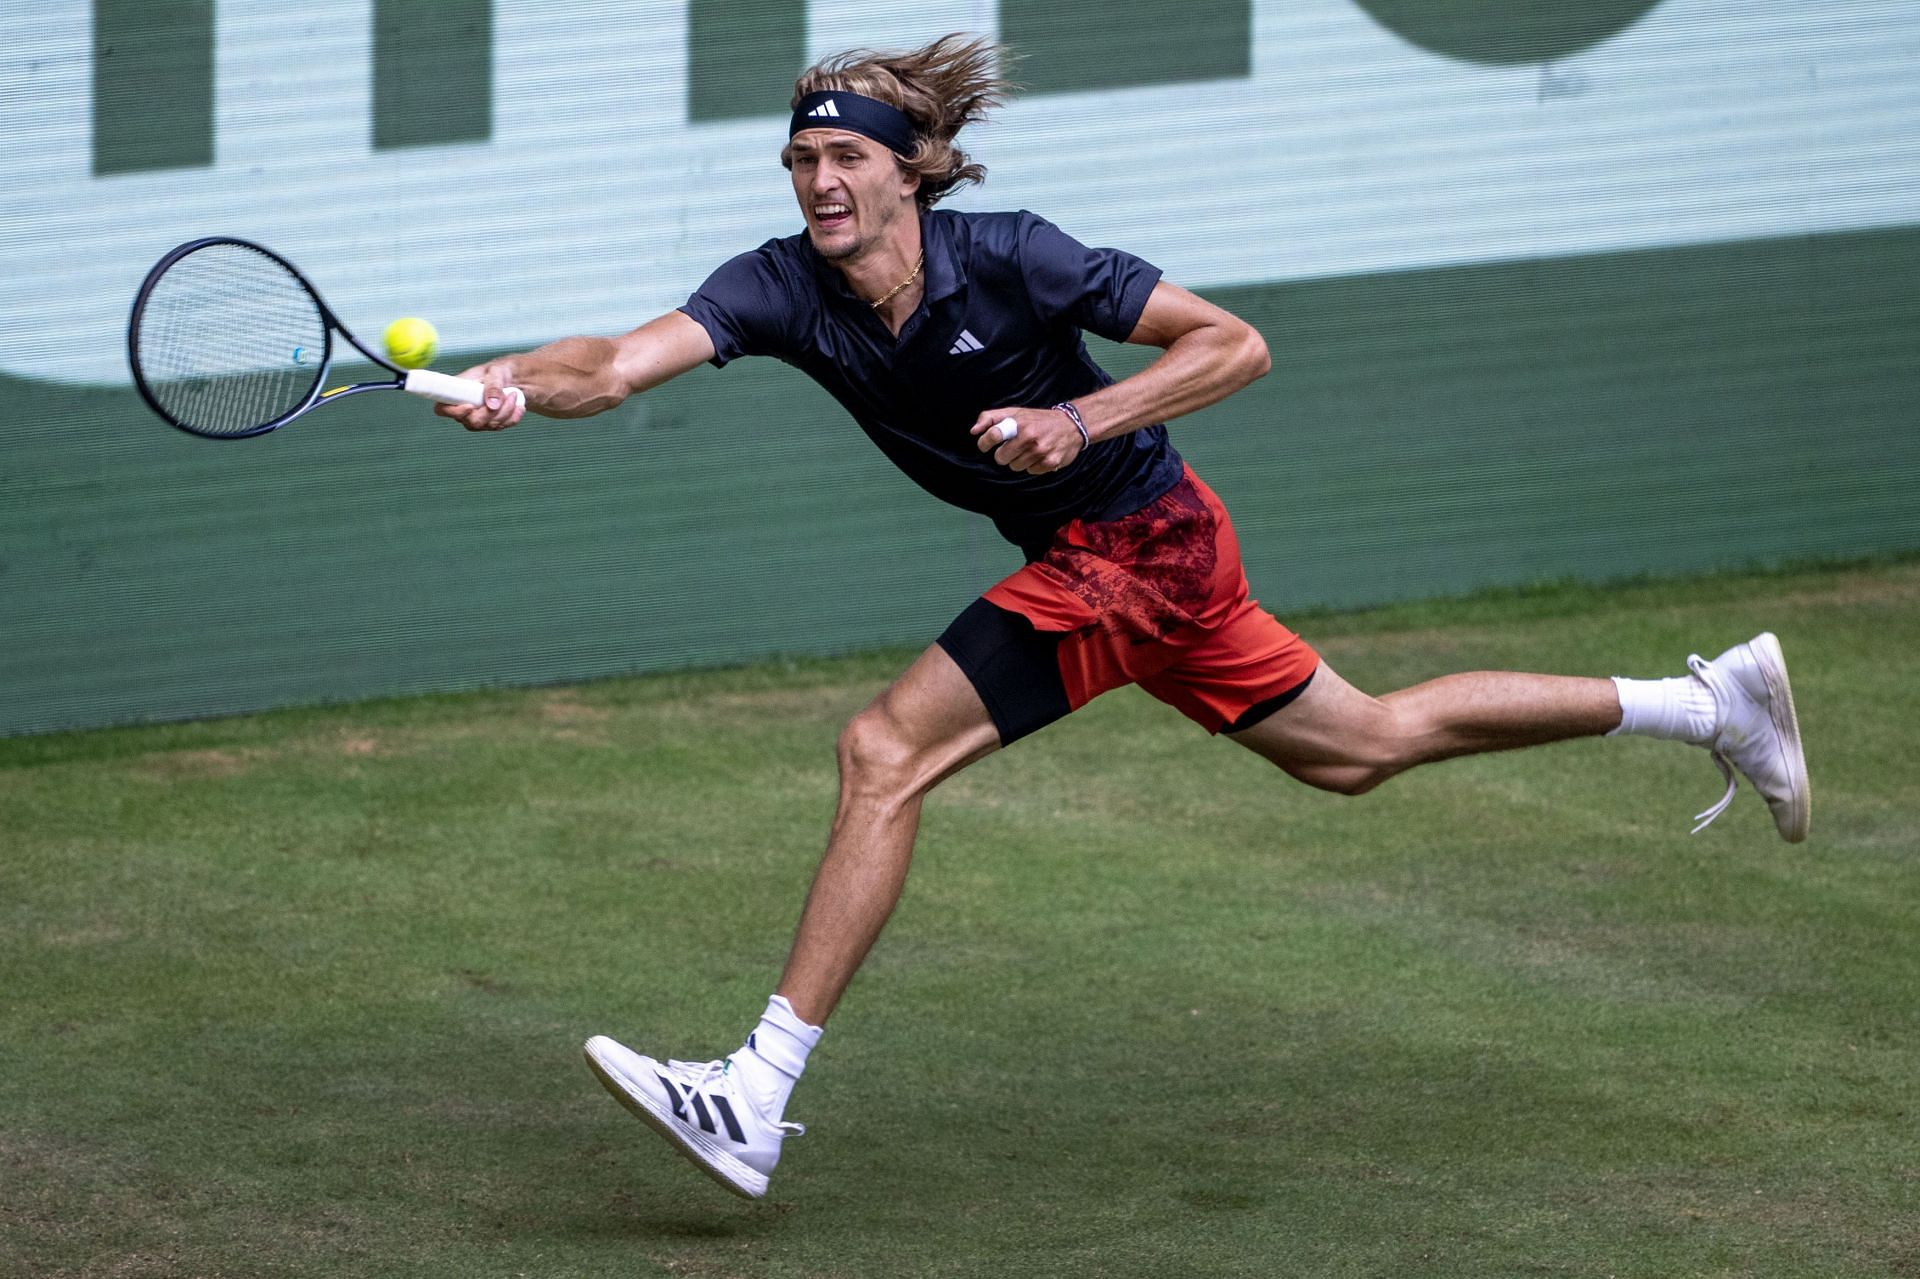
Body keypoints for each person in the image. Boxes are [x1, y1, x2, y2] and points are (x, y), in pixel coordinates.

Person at [435, 34, 1811, 1200]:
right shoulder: (780, 284)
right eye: (801, 160)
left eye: (845, 157)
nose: (818, 180)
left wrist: (1077, 414)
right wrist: (513, 377)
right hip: (1124, 556)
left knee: (884, 750)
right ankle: (1709, 705)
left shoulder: (1014, 256)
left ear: (910, 166)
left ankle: (753, 1093)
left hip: (1141, 543)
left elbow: (1234, 345)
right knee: (1359, 745)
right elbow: (615, 363)